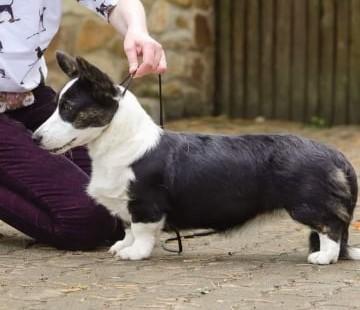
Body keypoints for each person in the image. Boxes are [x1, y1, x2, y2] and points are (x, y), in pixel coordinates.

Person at [0, 0, 167, 250]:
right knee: (83, 220)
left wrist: (137, 30)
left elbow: (116, 3)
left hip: (28, 98)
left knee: (123, 197)